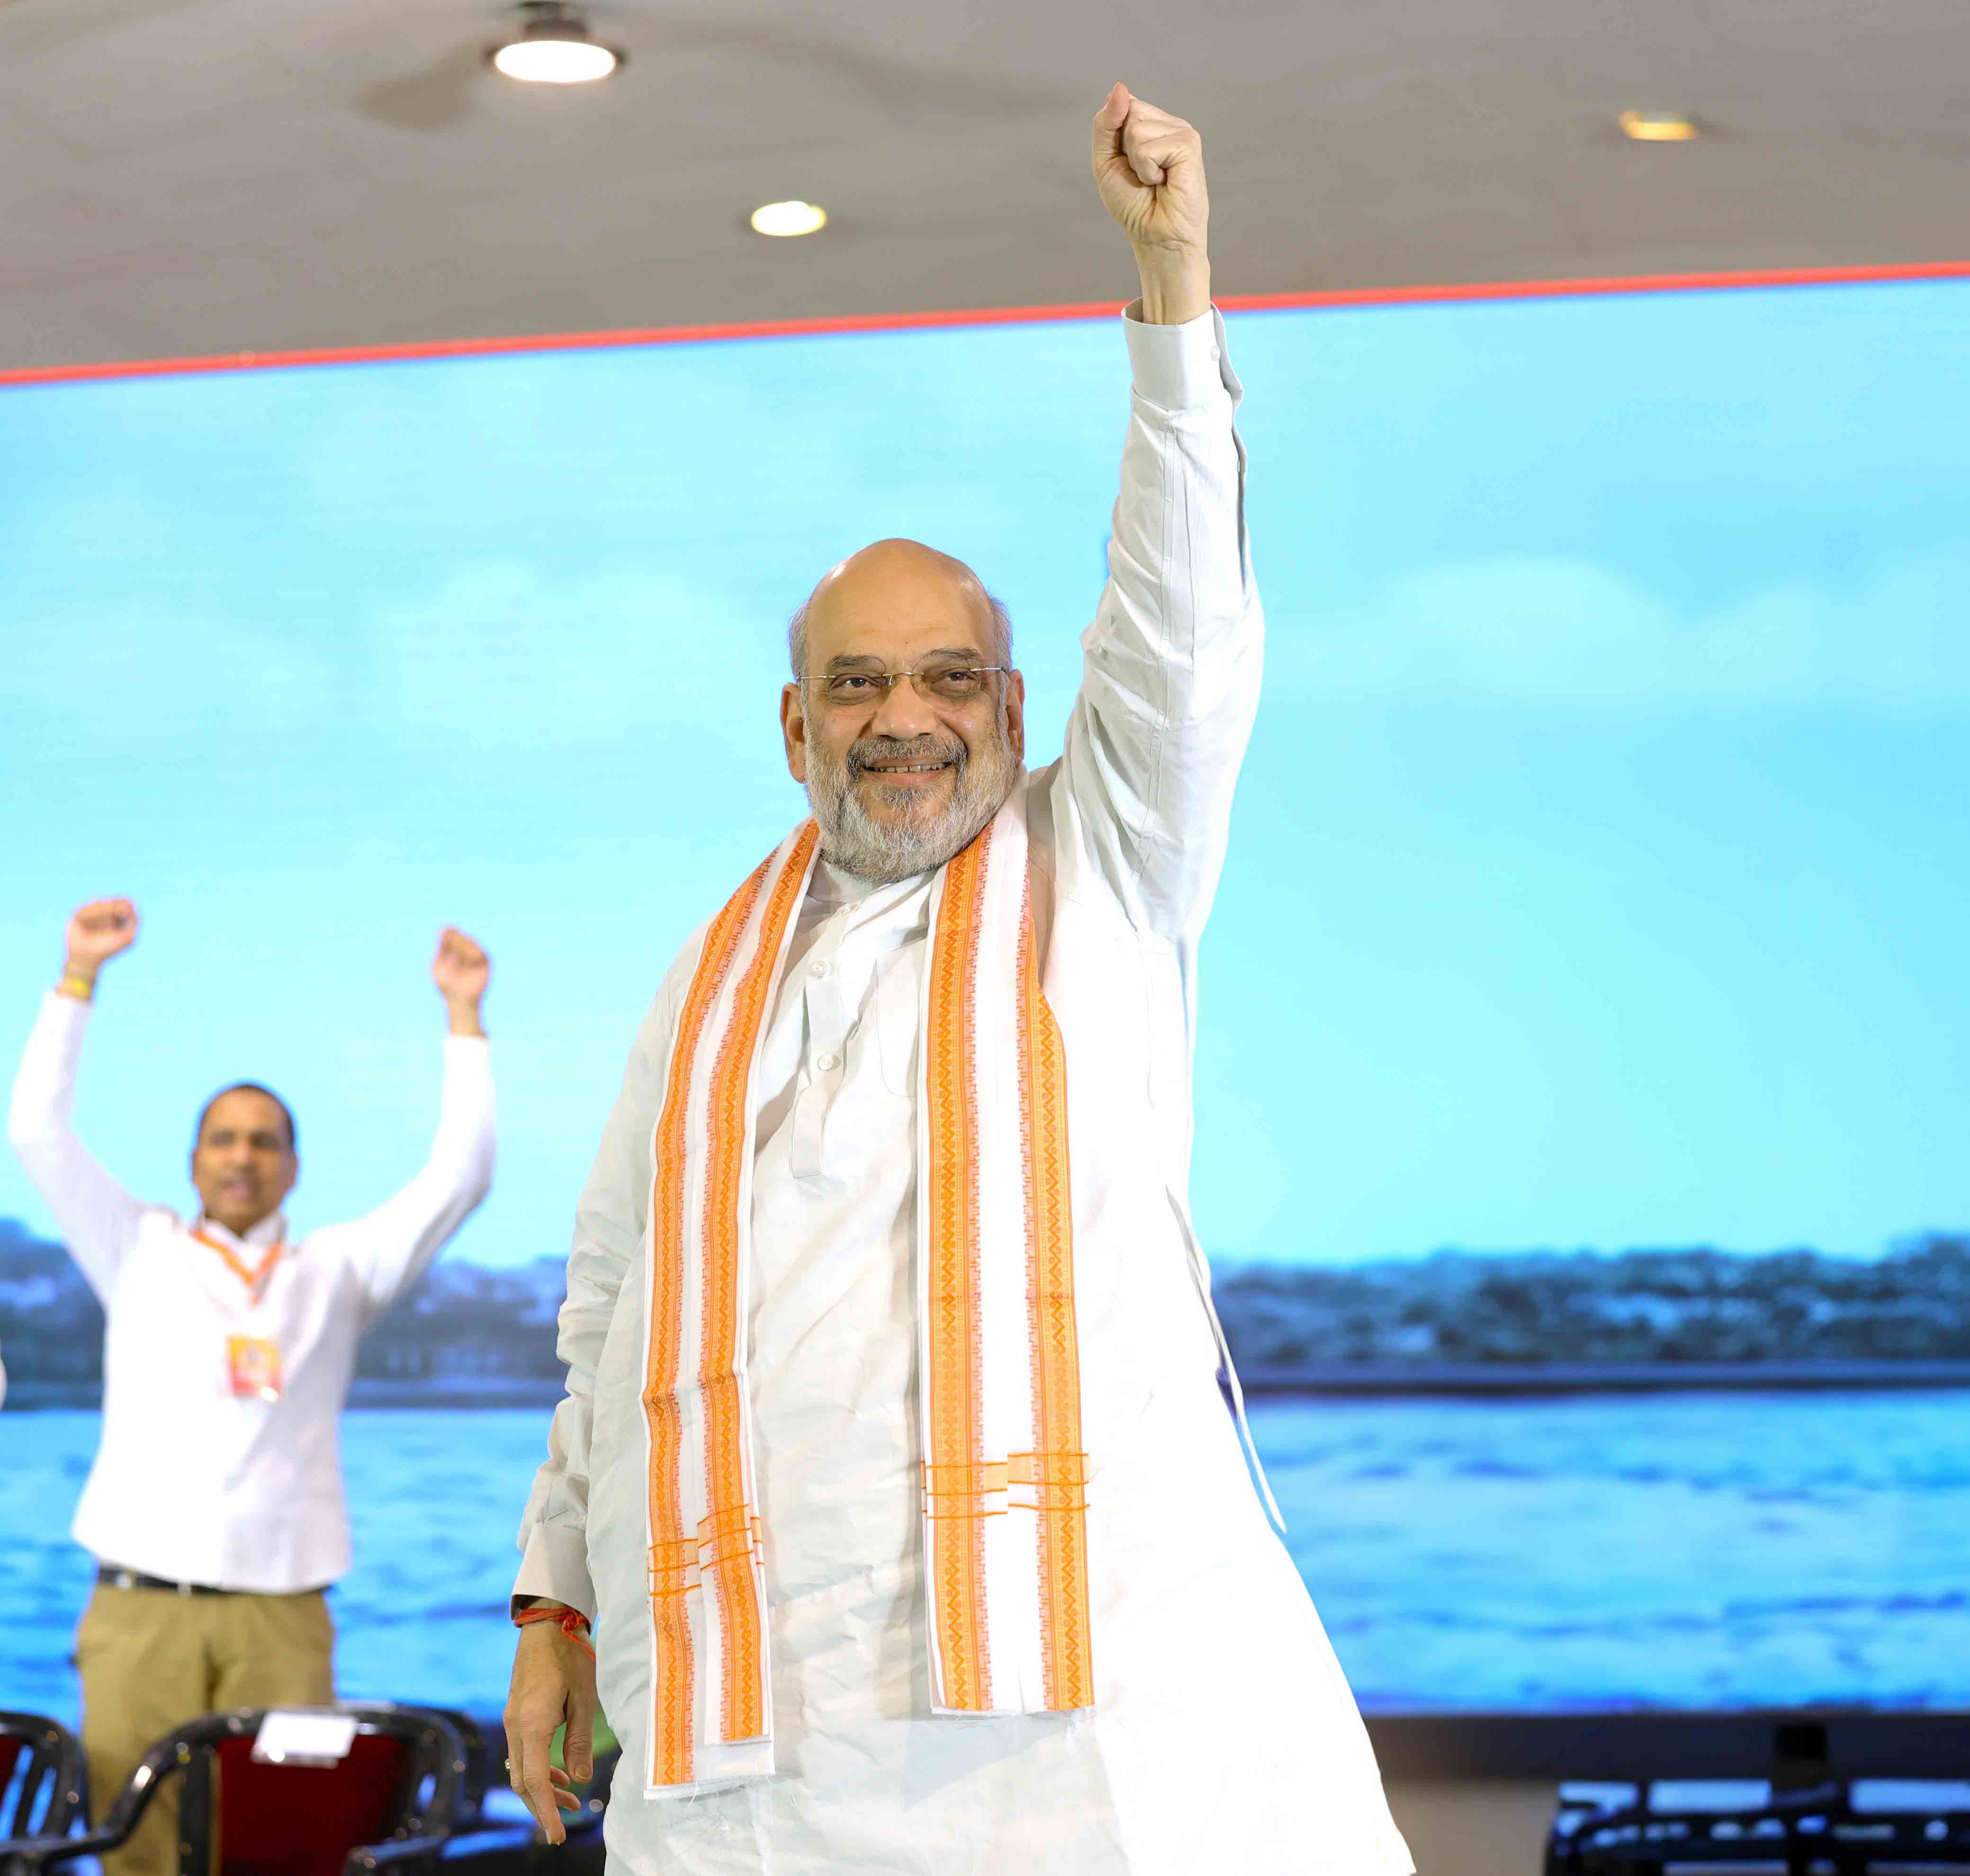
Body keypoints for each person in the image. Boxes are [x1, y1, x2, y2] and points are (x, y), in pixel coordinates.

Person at [503, 82, 1412, 1876]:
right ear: (792, 727)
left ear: (1016, 709)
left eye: (947, 681)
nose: (903, 719)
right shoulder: (706, 979)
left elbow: (1182, 630)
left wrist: (1173, 294)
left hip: (1076, 1729)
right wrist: (552, 1605)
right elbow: (607, 1313)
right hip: (754, 1730)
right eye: (855, 686)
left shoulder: (1104, 863)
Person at [6, 898, 497, 1876]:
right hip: (141, 1606)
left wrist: (464, 1018)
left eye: (263, 1141)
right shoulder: (136, 1247)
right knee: (136, 1849)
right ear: (195, 1159)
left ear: (293, 1166)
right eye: (224, 1139)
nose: (242, 1156)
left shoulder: (337, 1272)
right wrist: (77, 979)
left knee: (284, 1848)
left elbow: (461, 1176)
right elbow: (37, 1132)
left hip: (283, 1608)